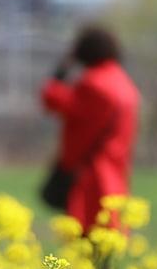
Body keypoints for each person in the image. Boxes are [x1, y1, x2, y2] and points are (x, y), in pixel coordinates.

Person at [40, 25, 139, 232]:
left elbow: (52, 99)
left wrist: (61, 71)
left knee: (87, 246)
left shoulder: (93, 85)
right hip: (117, 174)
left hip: (91, 180)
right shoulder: (124, 83)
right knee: (109, 245)